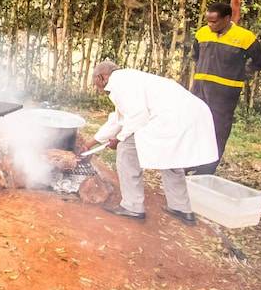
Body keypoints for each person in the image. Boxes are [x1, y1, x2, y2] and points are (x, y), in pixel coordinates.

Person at [85, 61, 219, 225]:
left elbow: (137, 117)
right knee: (171, 158)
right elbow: (119, 121)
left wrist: (119, 140)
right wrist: (89, 145)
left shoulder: (118, 84)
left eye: (96, 84)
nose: (98, 89)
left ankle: (132, 206)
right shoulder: (128, 78)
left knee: (127, 151)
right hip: (191, 113)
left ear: (101, 77)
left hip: (172, 117)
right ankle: (181, 208)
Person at [190, 2, 261, 175]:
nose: (210, 25)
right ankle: (188, 163)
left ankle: (206, 170)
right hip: (199, 89)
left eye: (214, 22)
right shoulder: (202, 33)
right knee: (194, 125)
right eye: (208, 21)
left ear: (227, 19)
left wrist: (242, 73)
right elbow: (195, 56)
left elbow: (260, 61)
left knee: (217, 130)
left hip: (224, 93)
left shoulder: (244, 37)